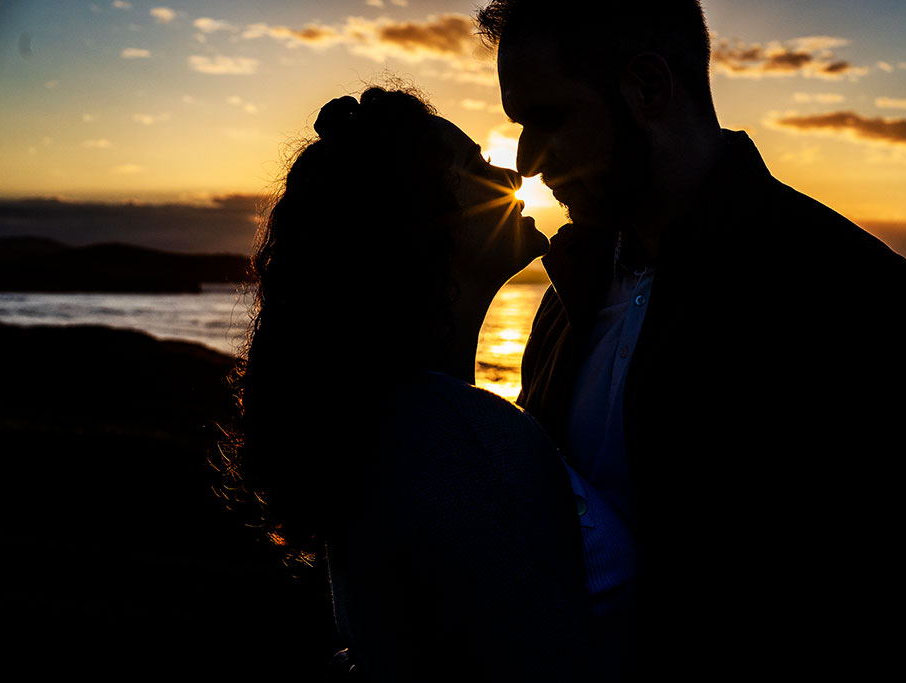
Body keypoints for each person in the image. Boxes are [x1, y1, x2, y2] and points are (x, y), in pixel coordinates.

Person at [476, 1, 906, 679]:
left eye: (548, 118)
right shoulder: (566, 300)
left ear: (648, 89)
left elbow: (896, 606)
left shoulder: (848, 292)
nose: (527, 161)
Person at [218, 86, 634, 681]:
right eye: (471, 166)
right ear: (418, 221)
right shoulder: (454, 440)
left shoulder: (383, 423)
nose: (509, 173)